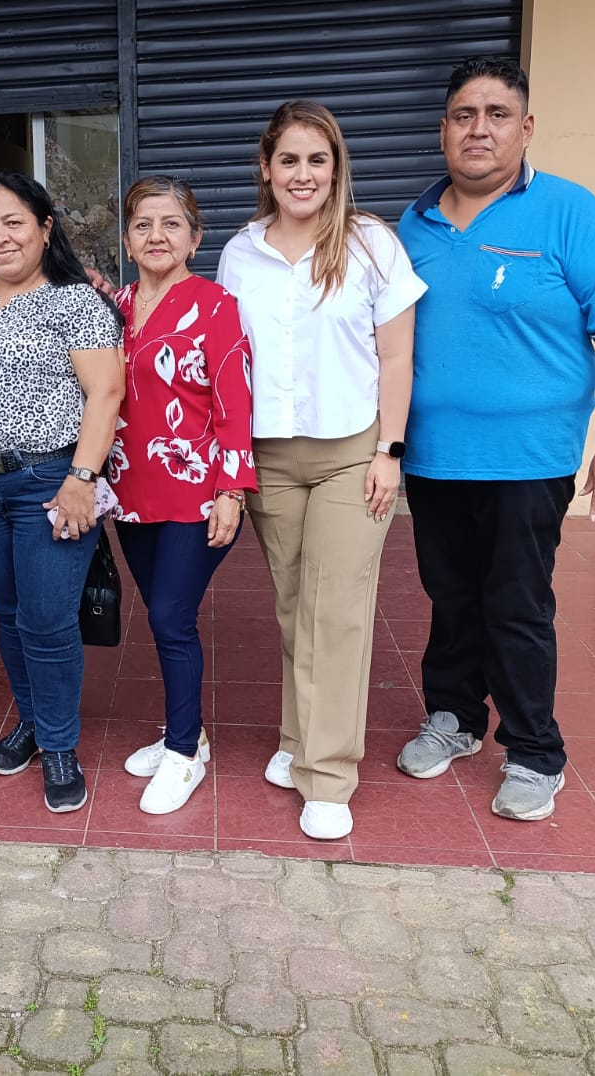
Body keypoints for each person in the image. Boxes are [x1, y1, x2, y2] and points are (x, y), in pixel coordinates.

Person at [395, 57, 595, 821]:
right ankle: (456, 717)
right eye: (464, 115)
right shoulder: (413, 224)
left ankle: (536, 751)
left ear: (526, 128)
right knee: (450, 595)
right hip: (434, 455)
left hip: (528, 458)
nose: (479, 129)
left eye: (497, 114)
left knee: (516, 602)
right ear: (443, 130)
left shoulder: (572, 213)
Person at [218, 100, 425, 841]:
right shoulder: (241, 252)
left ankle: (329, 774)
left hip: (351, 453)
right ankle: (299, 736)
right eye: (289, 160)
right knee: (294, 605)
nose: (302, 174)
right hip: (270, 458)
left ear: (336, 168)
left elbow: (397, 356)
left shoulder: (371, 244)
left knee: (335, 611)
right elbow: (227, 360)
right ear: (266, 169)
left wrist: (389, 452)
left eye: (317, 159)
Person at [0, 171, 124, 814]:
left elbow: (106, 394)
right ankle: (31, 718)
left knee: (47, 622)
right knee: (9, 613)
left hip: (50, 480)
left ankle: (59, 744)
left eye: (14, 222)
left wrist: (82, 479)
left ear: (45, 228)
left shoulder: (76, 302)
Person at [108, 176, 256, 815]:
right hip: (130, 489)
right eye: (143, 224)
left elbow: (235, 403)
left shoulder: (216, 305)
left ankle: (183, 752)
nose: (156, 236)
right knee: (161, 614)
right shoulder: (113, 307)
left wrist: (233, 489)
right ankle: (187, 729)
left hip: (198, 493)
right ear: (127, 239)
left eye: (171, 224)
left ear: (195, 239)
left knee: (171, 617)